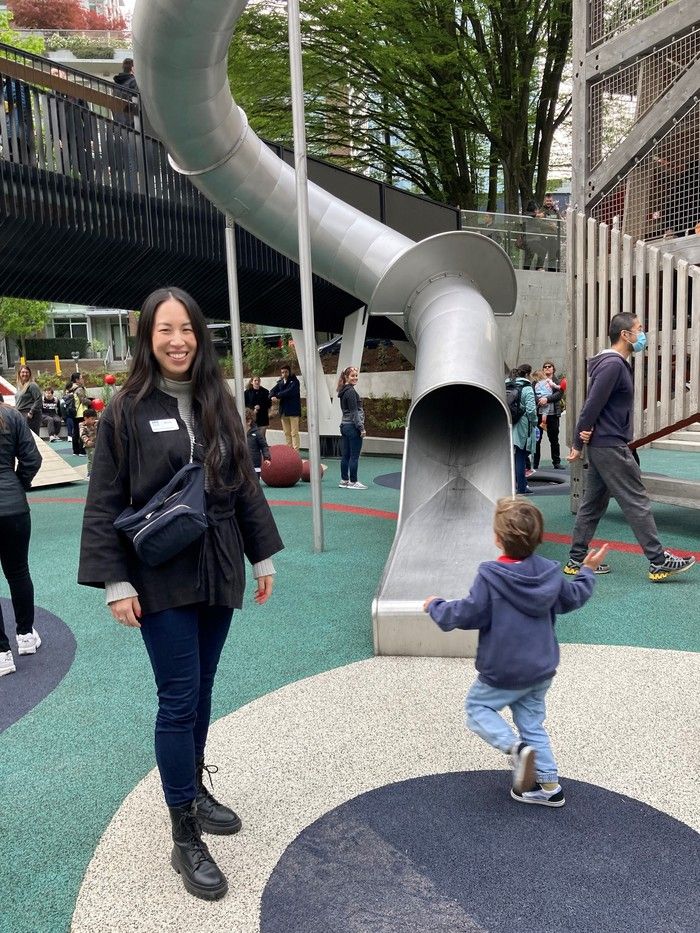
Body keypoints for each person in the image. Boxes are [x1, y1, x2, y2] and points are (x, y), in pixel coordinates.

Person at [78, 287, 283, 901]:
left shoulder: (218, 398)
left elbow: (243, 482)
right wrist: (115, 580)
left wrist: (262, 553)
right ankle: (184, 832)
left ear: (199, 335)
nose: (177, 340)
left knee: (203, 688)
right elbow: (104, 500)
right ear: (148, 337)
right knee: (178, 698)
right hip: (161, 570)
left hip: (219, 561)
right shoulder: (126, 410)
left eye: (187, 329)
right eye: (165, 330)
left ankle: (192, 787)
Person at [423, 497, 607, 807]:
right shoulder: (550, 573)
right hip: (540, 669)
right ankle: (549, 787)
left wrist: (436, 606)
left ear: (497, 539)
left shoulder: (491, 576)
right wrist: (587, 570)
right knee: (532, 725)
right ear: (539, 537)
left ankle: (516, 750)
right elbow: (574, 596)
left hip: (503, 669)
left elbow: (468, 613)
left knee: (478, 708)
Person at [565, 312, 696, 582]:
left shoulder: (614, 364)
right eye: (639, 328)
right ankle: (658, 561)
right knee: (636, 500)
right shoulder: (613, 365)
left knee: (592, 504)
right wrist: (578, 441)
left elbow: (597, 406)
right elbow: (591, 405)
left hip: (604, 444)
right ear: (625, 335)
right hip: (610, 445)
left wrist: (585, 437)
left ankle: (576, 560)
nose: (643, 334)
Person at [0, 398, 43, 677]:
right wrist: (18, 484)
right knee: (18, 572)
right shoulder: (13, 417)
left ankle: (1, 653)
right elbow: (32, 459)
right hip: (13, 507)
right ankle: (25, 635)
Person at [509, 364, 538, 494]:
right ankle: (521, 487)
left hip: (507, 422)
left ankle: (508, 486)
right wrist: (534, 422)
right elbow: (531, 410)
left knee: (510, 456)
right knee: (521, 455)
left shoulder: (506, 384)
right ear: (527, 374)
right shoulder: (527, 388)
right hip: (522, 425)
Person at [337, 366, 367, 490]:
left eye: (356, 375)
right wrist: (361, 428)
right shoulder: (350, 392)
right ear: (346, 377)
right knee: (354, 456)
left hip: (344, 425)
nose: (355, 378)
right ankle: (353, 481)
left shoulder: (343, 390)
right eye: (352, 376)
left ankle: (344, 480)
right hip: (352, 427)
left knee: (346, 455)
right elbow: (354, 412)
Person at [533, 360, 564, 471]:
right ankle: (535, 464)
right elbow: (532, 393)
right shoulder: (536, 381)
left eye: (549, 366)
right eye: (545, 366)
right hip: (539, 414)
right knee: (537, 439)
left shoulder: (556, 381)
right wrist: (540, 400)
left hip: (553, 414)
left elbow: (559, 394)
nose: (547, 368)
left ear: (553, 369)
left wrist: (547, 399)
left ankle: (556, 462)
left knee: (554, 439)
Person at [269, 365, 301, 451]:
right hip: (283, 411)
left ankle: (296, 452)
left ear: (289, 372)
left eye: (286, 372)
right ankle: (289, 451)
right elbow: (272, 391)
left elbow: (289, 392)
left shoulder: (295, 382)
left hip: (293, 411)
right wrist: (272, 396)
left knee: (294, 433)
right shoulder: (280, 382)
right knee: (287, 433)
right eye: (282, 372)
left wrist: (277, 395)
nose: (284, 374)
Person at [65, 372, 89, 456]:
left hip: (74, 413)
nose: (83, 379)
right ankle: (82, 451)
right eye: (81, 378)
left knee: (75, 432)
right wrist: (91, 402)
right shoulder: (79, 389)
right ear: (77, 380)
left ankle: (75, 451)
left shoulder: (70, 389)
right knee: (82, 432)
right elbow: (83, 400)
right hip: (81, 413)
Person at [15, 365, 42, 436]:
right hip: (21, 414)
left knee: (32, 437)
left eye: (27, 372)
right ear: (19, 374)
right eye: (23, 372)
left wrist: (31, 412)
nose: (25, 374)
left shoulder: (32, 385)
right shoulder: (19, 386)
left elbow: (39, 399)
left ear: (30, 373)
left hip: (30, 415)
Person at [245, 408, 271, 479]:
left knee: (254, 482)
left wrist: (267, 458)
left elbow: (264, 446)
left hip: (254, 463)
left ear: (249, 421)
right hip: (243, 464)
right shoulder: (238, 433)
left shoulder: (257, 433)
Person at [79, 407, 99, 477]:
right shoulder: (82, 425)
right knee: (92, 459)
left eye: (94, 419)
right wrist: (87, 441)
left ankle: (97, 472)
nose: (93, 420)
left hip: (97, 444)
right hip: (89, 446)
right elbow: (82, 435)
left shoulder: (96, 423)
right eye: (92, 419)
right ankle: (90, 473)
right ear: (85, 418)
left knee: (98, 459)